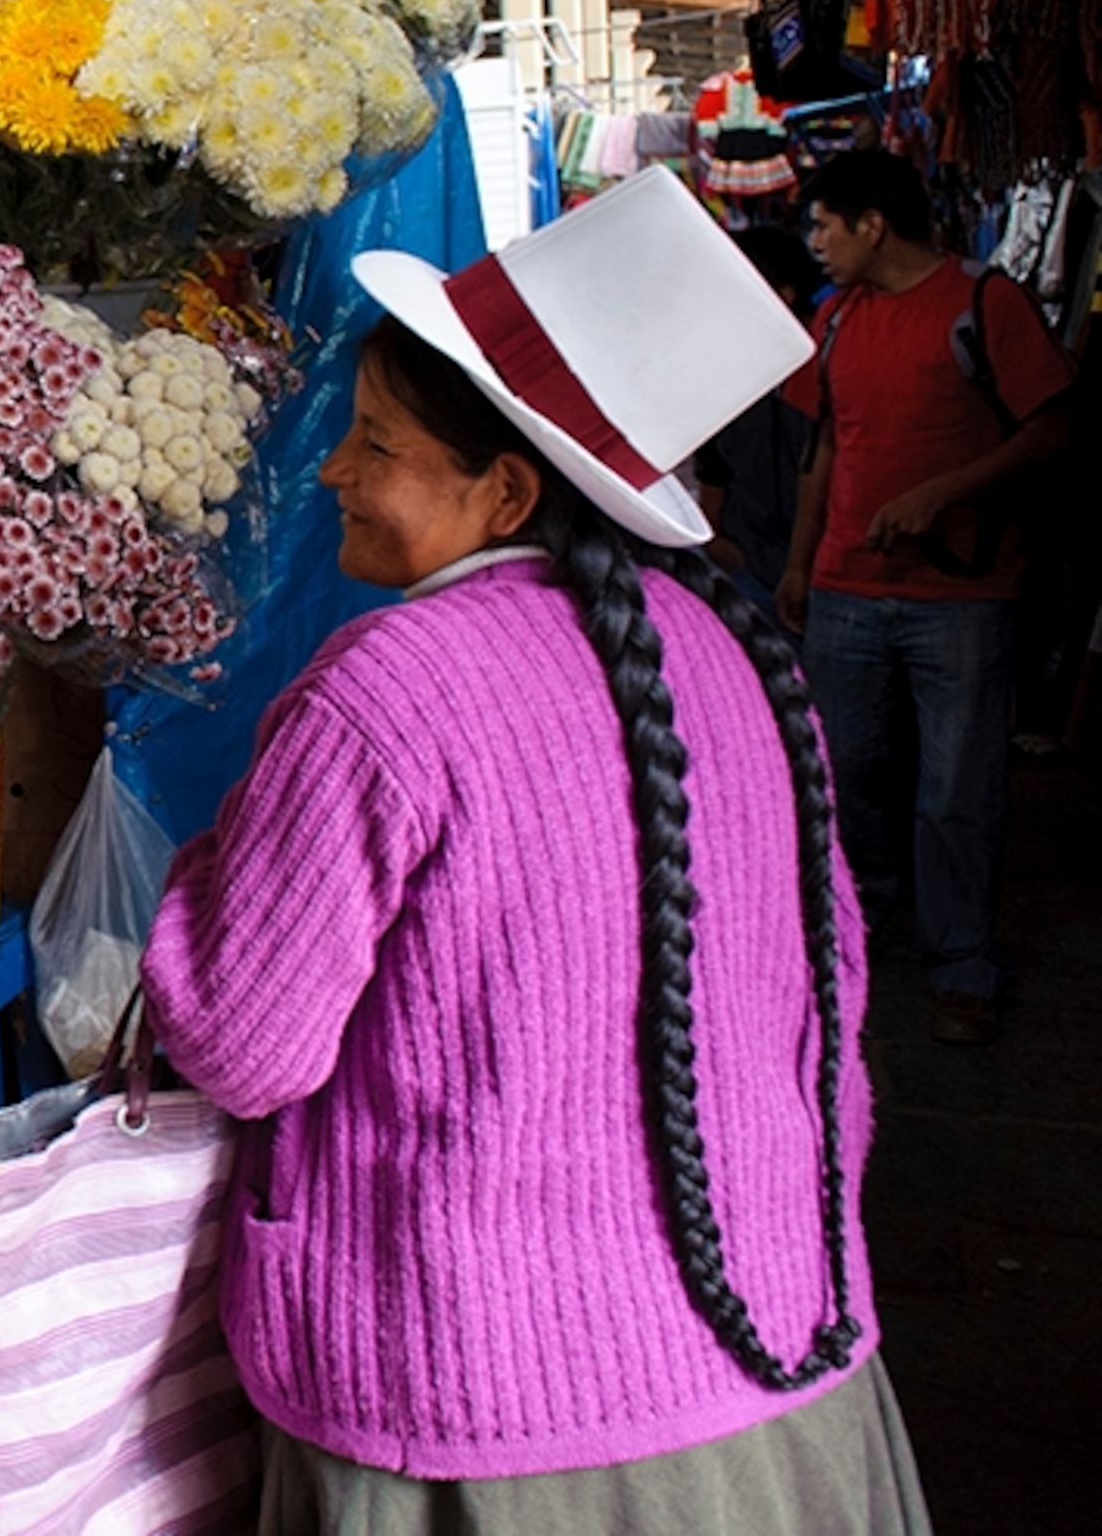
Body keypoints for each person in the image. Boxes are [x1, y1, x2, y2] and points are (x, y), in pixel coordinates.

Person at [142, 171, 925, 1531]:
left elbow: (241, 1043)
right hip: (772, 1378)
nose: (333, 469)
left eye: (374, 444)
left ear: (505, 490)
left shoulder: (383, 693)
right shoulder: (746, 660)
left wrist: (206, 869)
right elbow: (833, 1019)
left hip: (477, 1414)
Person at [778, 148, 1074, 1047]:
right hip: (843, 589)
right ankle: (859, 932)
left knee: (956, 789)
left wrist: (942, 493)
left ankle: (961, 966)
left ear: (874, 224)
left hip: (963, 596)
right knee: (847, 773)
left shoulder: (987, 304)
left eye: (828, 224)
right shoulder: (833, 321)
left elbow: (1057, 427)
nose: (817, 243)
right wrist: (799, 564)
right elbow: (826, 450)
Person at [695, 223, 823, 617]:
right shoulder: (728, 369)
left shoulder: (832, 362)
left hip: (826, 575)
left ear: (783, 296)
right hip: (747, 566)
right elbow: (713, 465)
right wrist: (715, 540)